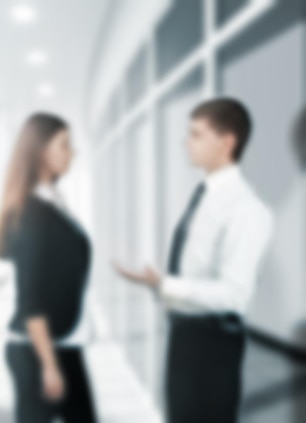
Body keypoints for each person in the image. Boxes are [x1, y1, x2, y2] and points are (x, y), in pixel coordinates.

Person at [114, 97, 273, 423]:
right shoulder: (203, 195)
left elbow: (235, 295)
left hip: (212, 345)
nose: (186, 142)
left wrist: (165, 284)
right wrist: (160, 287)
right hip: (184, 336)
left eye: (196, 134)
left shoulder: (247, 210)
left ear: (227, 142)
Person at [0, 112, 98, 422]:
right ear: (41, 152)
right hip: (39, 352)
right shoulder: (33, 215)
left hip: (60, 346)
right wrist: (50, 366)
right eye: (65, 145)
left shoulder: (51, 201)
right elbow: (32, 301)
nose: (73, 153)